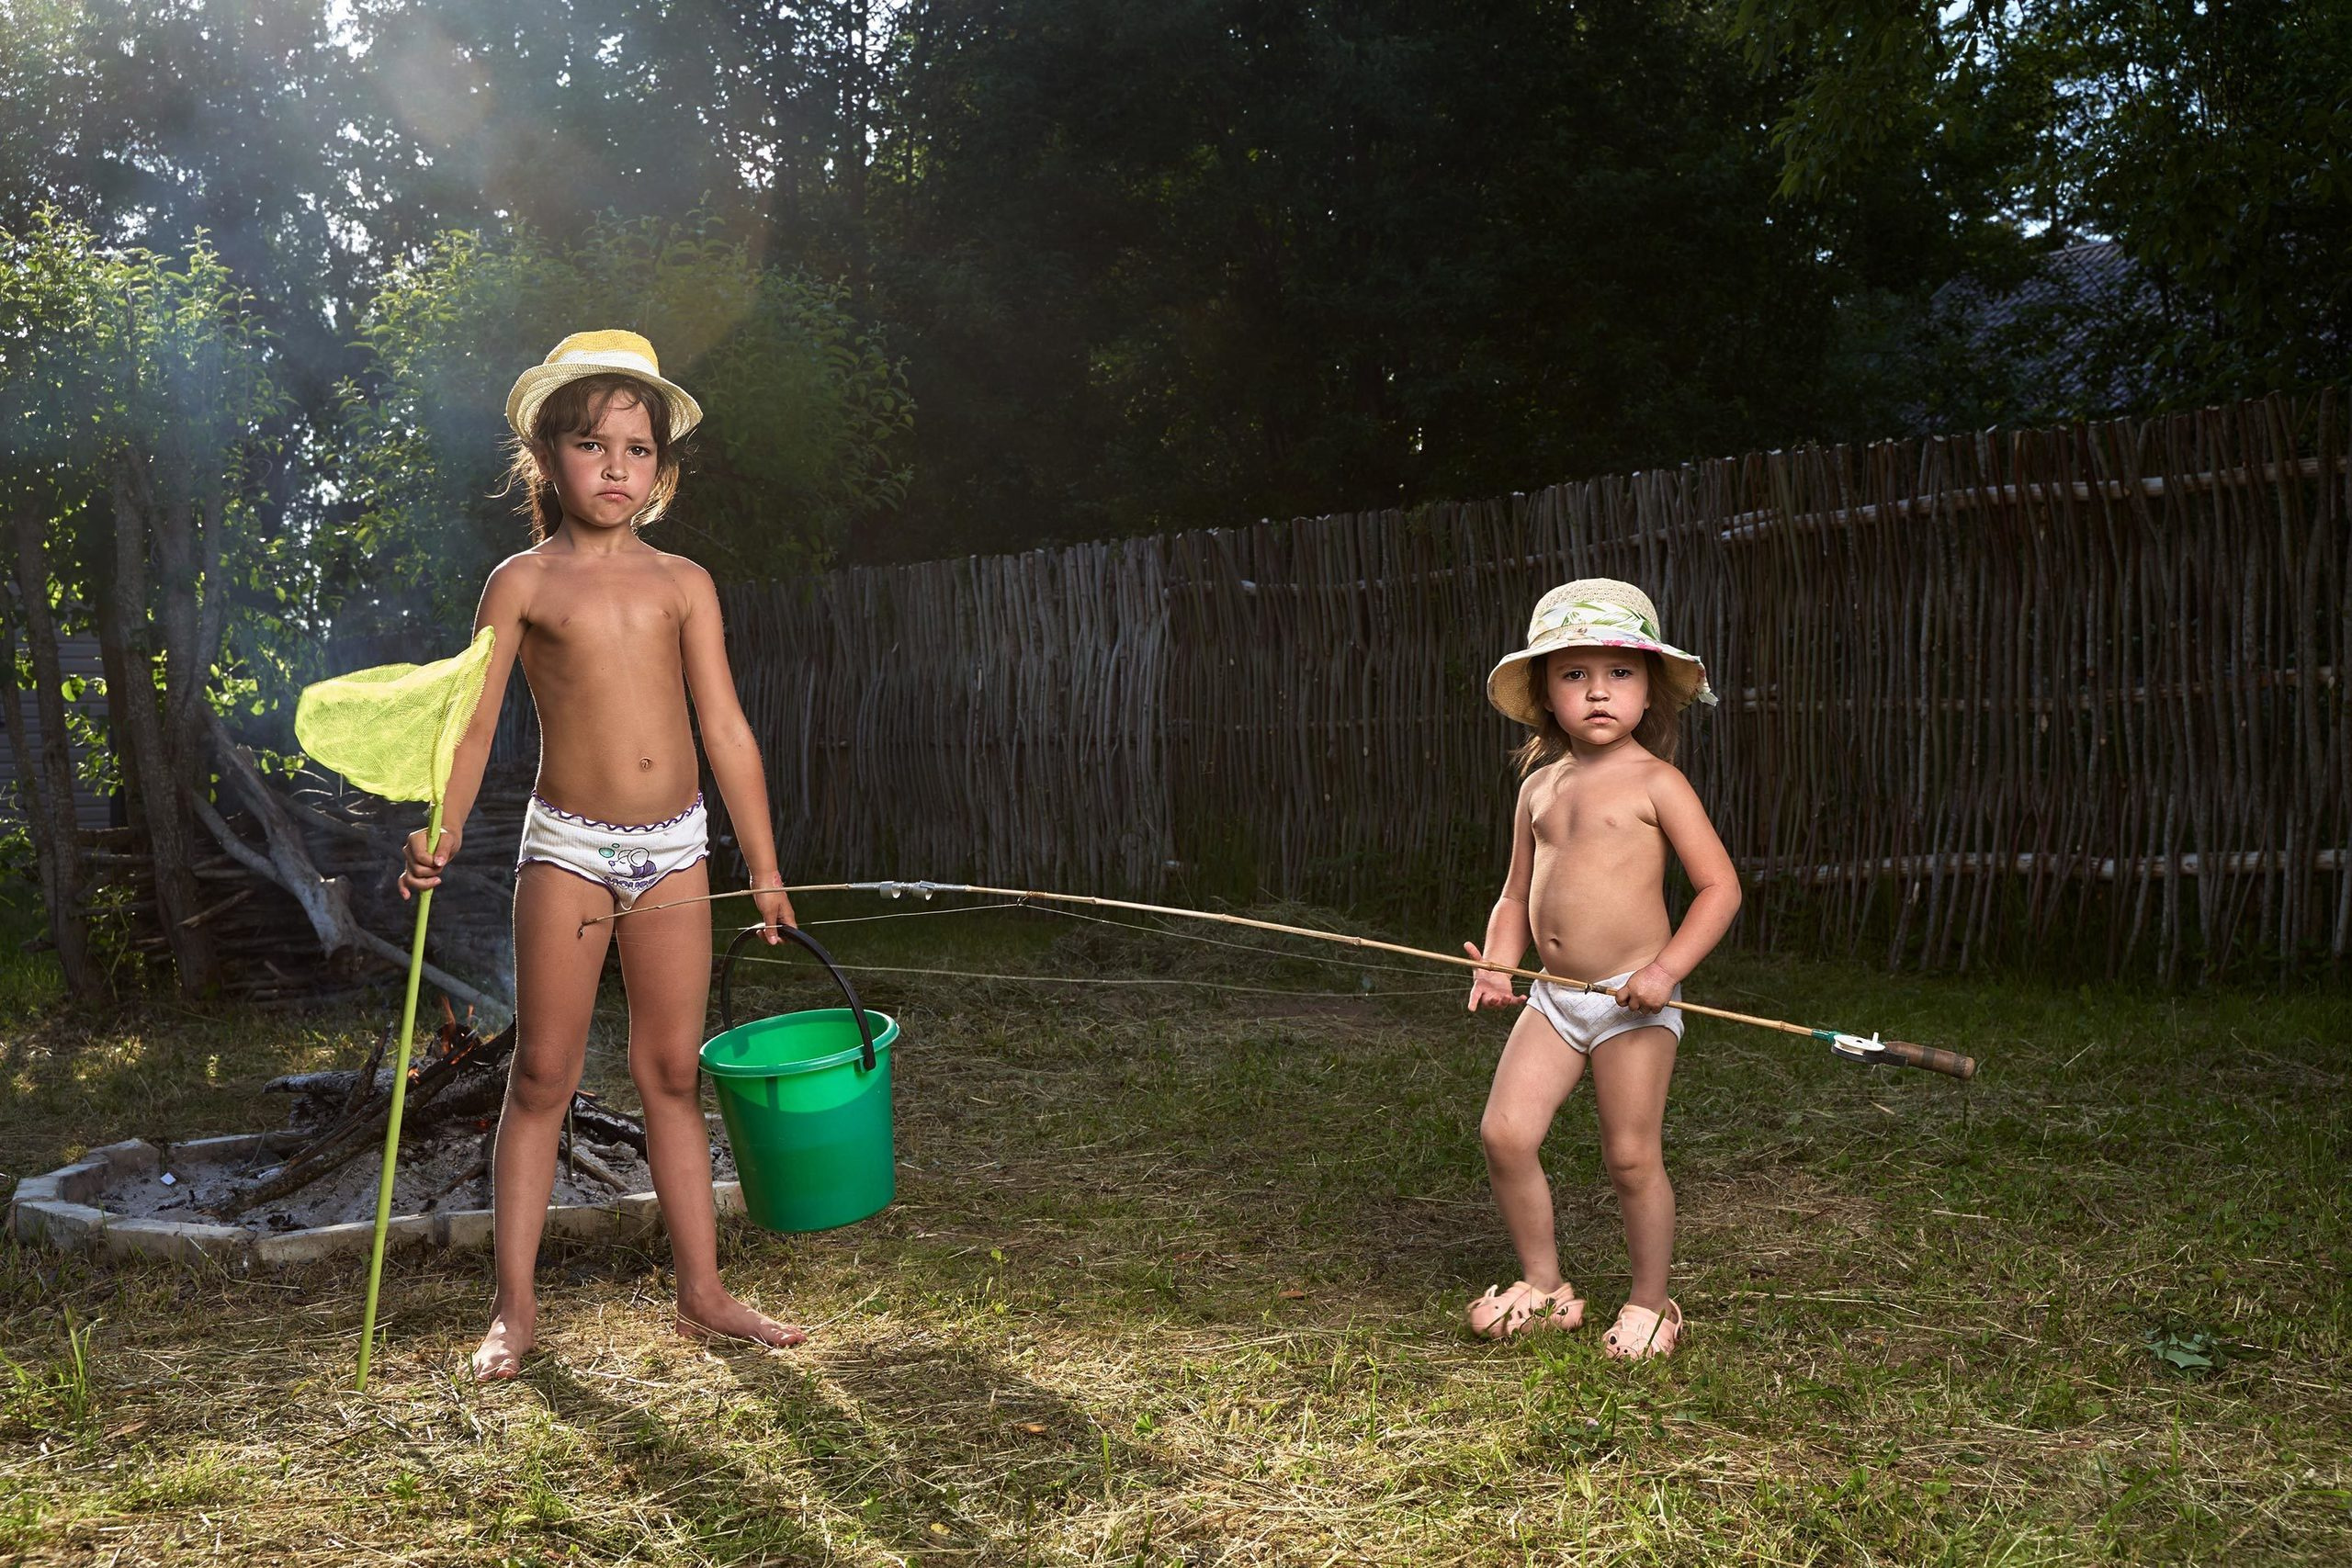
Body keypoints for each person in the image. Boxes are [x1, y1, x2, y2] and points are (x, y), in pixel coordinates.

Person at [400, 330, 802, 1380]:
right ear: (547, 458)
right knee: (542, 1072)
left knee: (672, 1071)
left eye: (637, 449)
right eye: (591, 445)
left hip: (675, 849)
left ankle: (703, 1292)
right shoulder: (522, 583)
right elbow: (473, 726)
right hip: (569, 849)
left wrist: (762, 867)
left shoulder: (684, 583)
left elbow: (726, 729)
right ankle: (515, 1309)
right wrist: (443, 826)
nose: (615, 467)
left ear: (660, 469)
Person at [1461, 579, 1739, 1357]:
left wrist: (1664, 970)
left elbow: (1720, 889)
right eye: (1574, 674)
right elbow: (1514, 893)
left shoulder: (1658, 783)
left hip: (1632, 1001)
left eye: (1619, 672)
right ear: (1546, 695)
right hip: (1554, 999)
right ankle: (1545, 1284)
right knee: (1505, 1133)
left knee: (1630, 1155)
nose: (1597, 691)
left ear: (1649, 690)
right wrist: (1500, 965)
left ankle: (1652, 1302)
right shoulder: (1539, 787)